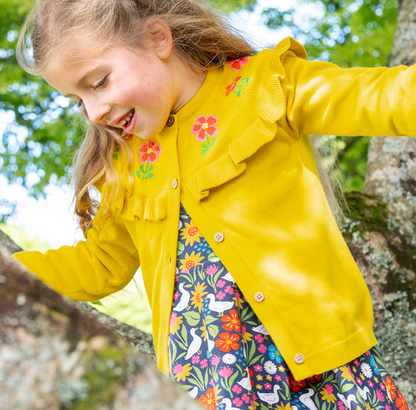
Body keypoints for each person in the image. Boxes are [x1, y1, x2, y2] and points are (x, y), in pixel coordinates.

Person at [13, 0, 411, 408]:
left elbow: (385, 98)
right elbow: (99, 266)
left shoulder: (266, 86)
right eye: (78, 101)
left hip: (328, 376)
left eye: (98, 83)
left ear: (157, 39)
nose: (94, 113)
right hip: (208, 390)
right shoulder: (123, 166)